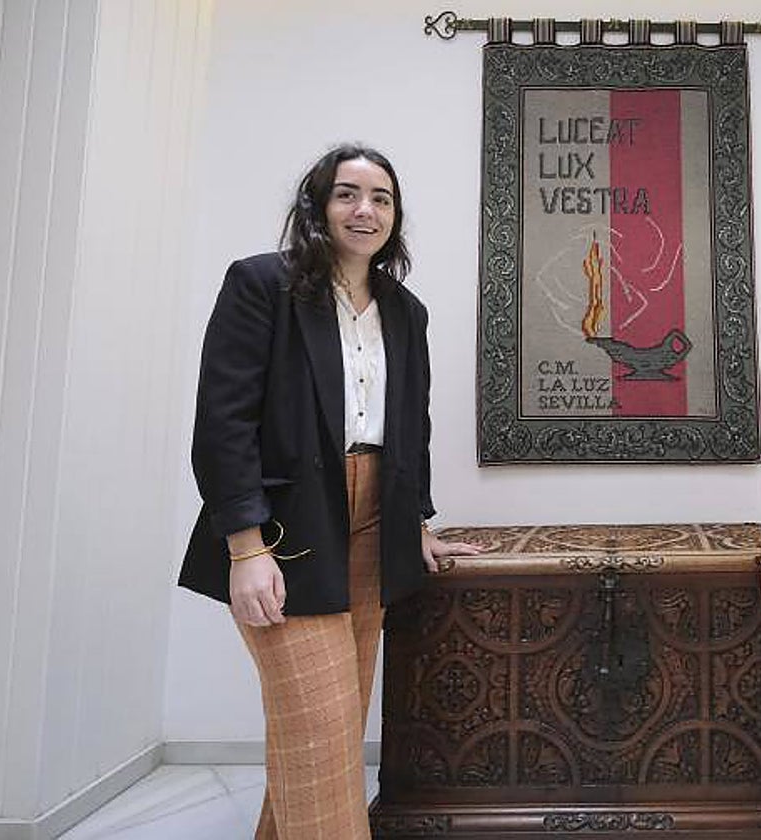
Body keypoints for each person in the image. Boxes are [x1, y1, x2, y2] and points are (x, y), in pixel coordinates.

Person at [180, 143, 480, 840]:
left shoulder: (407, 312)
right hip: (287, 529)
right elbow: (223, 424)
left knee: (329, 730)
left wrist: (419, 523)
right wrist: (244, 545)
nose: (364, 209)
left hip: (377, 524)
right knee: (319, 727)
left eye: (381, 197)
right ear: (318, 206)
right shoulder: (262, 285)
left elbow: (410, 426)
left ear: (395, 216)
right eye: (347, 194)